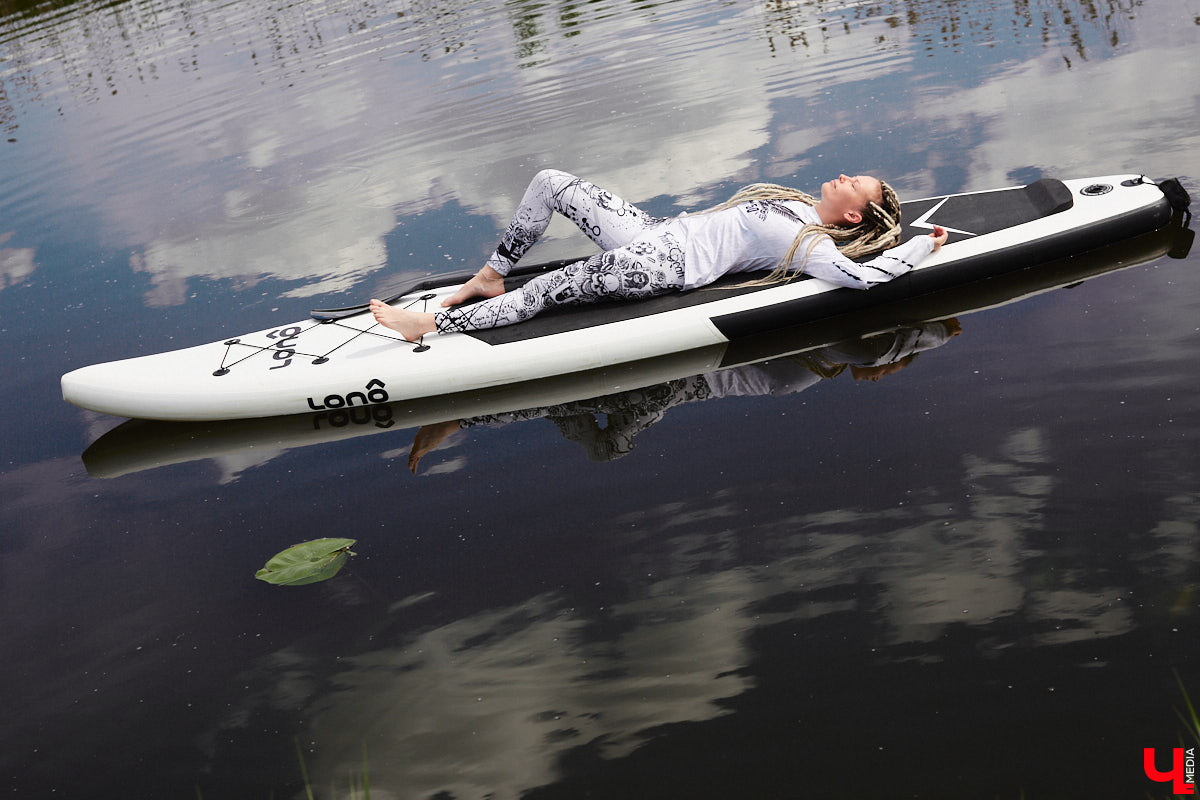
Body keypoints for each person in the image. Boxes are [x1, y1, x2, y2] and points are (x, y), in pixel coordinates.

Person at [370, 169, 948, 341]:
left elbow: (864, 280)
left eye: (855, 184)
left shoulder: (813, 244)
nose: (843, 176)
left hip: (660, 267)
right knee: (550, 181)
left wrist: (924, 242)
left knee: (547, 289)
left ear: (853, 214)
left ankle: (431, 324)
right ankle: (490, 277)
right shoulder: (795, 204)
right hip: (653, 233)